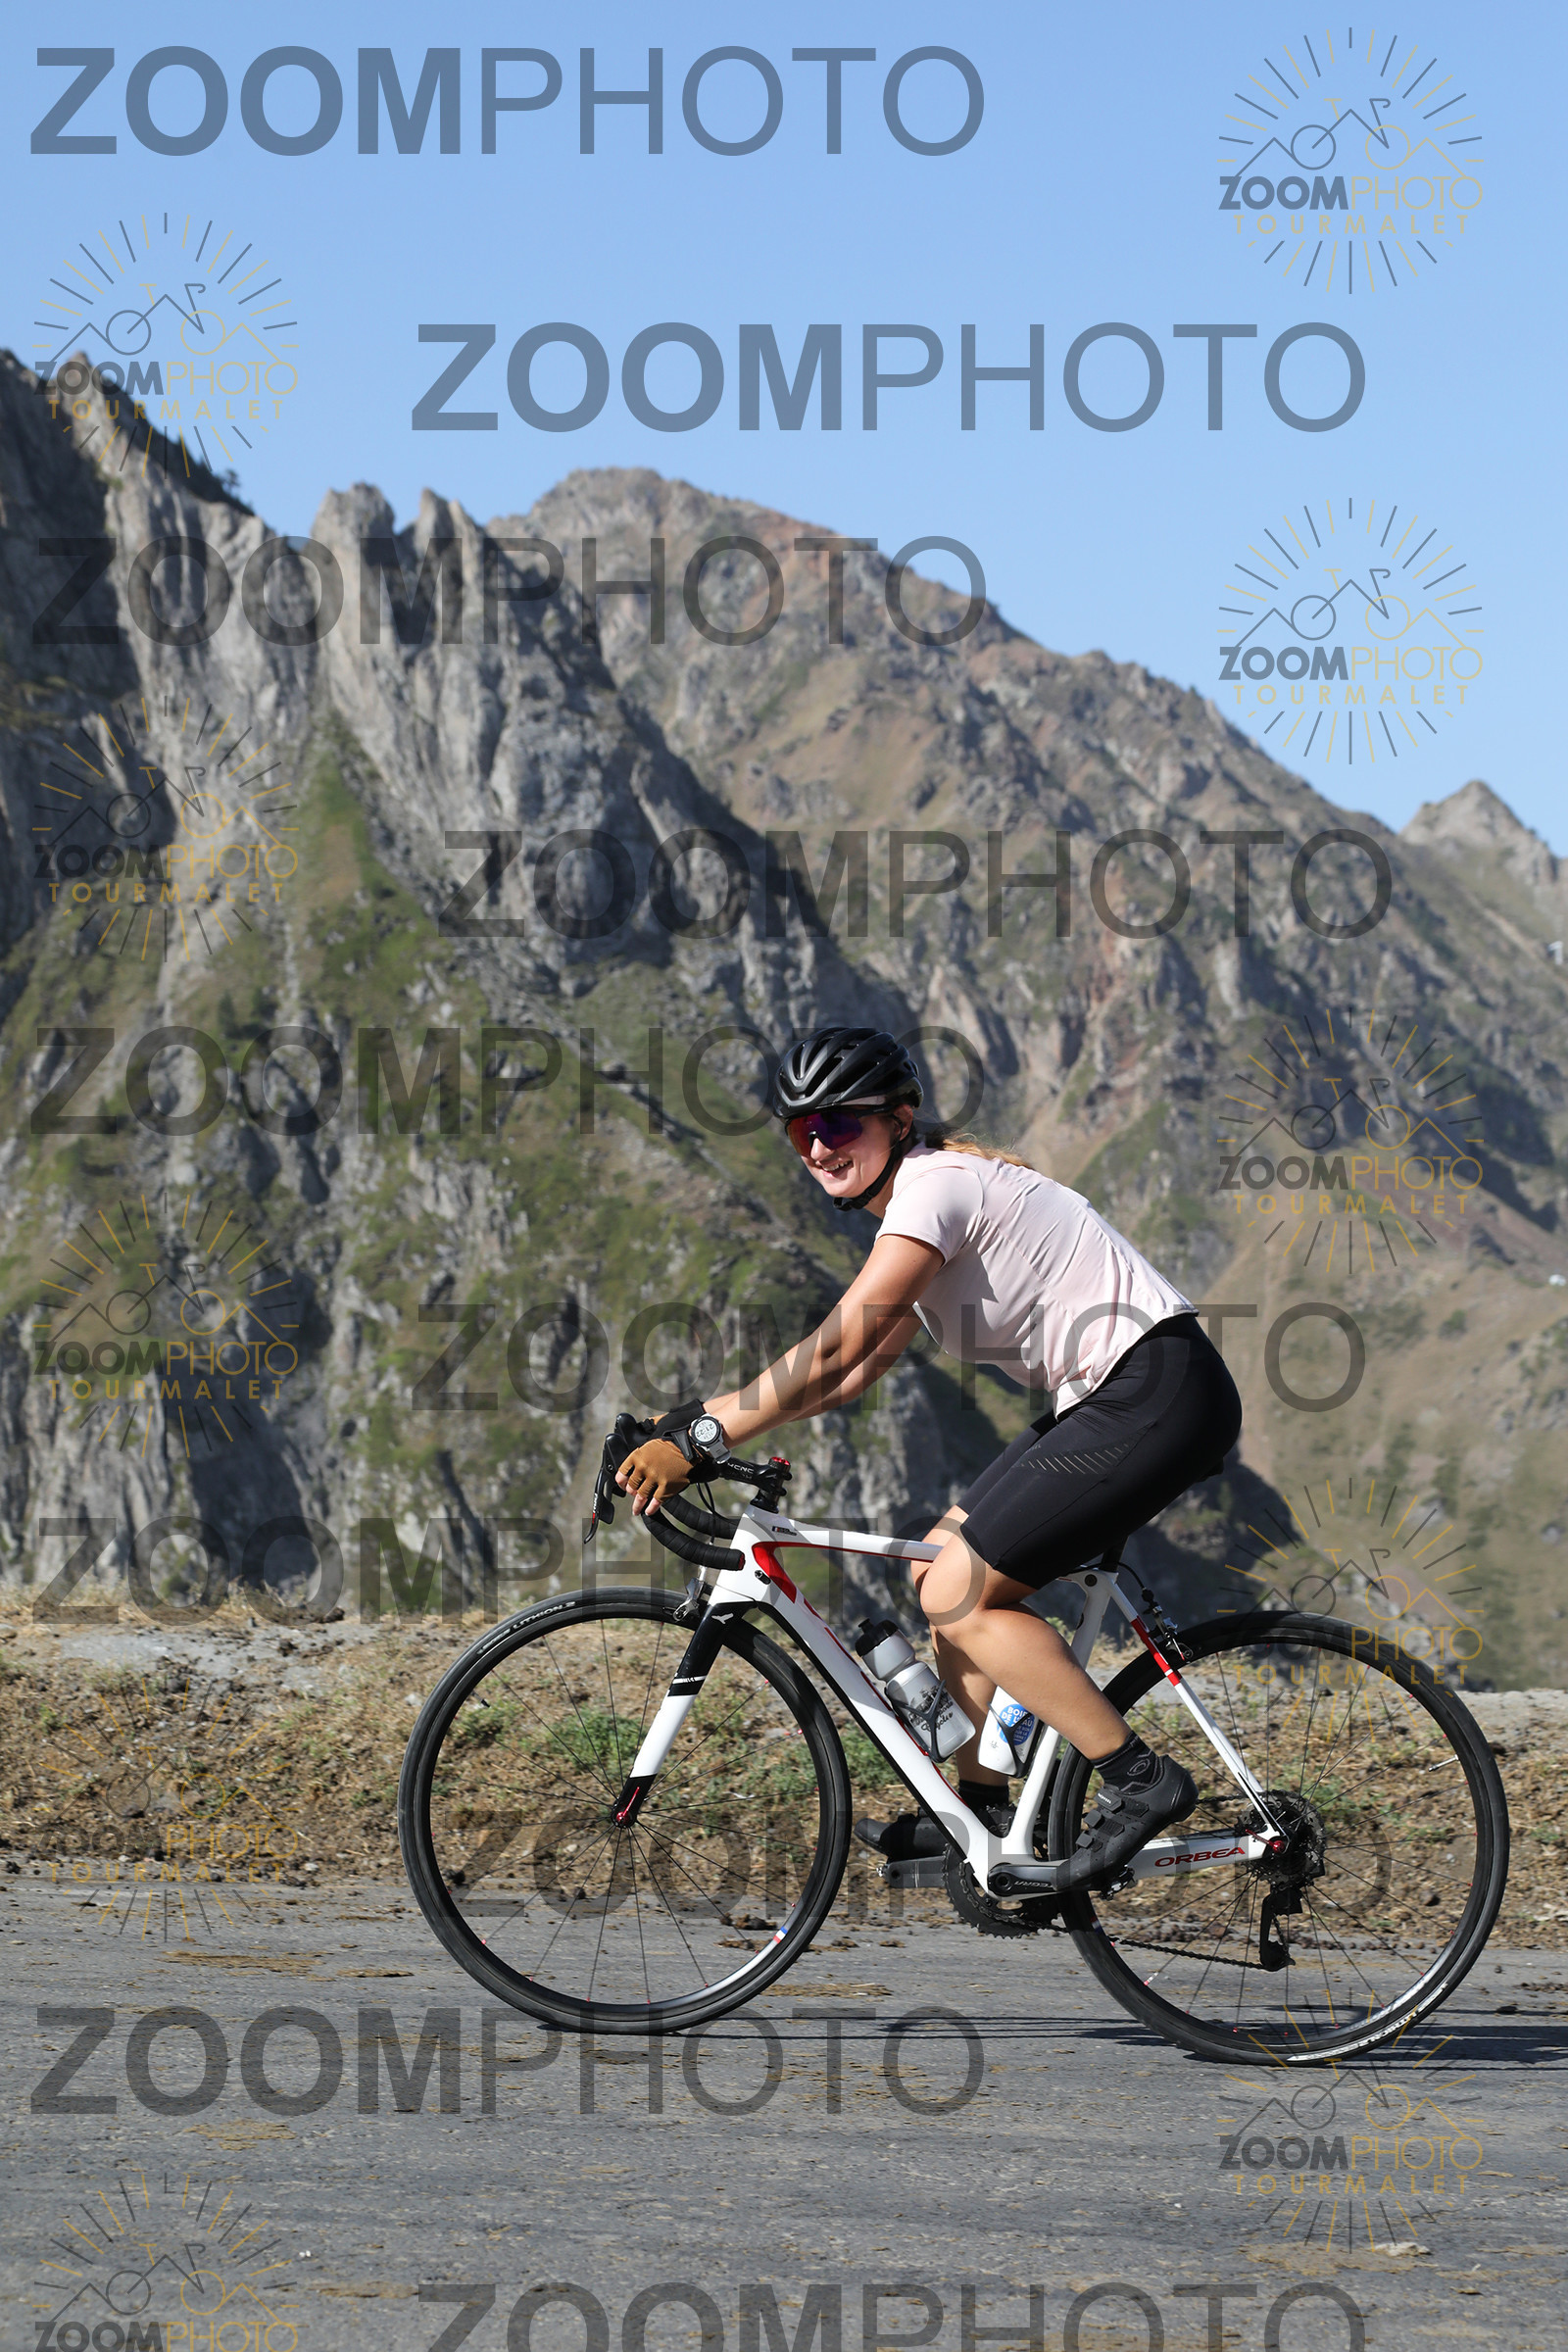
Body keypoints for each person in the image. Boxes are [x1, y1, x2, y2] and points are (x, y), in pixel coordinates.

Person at [613, 1026, 1242, 1891]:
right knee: (938, 1565)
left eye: (840, 1124)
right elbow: (850, 1376)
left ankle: (1142, 1780)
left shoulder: (935, 1188)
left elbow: (836, 1346)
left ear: (900, 1120)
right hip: (1117, 1395)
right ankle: (981, 1815)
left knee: (959, 1592)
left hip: (1152, 1390)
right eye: (801, 1132)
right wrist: (691, 1419)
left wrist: (705, 1440)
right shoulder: (921, 1204)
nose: (819, 1147)